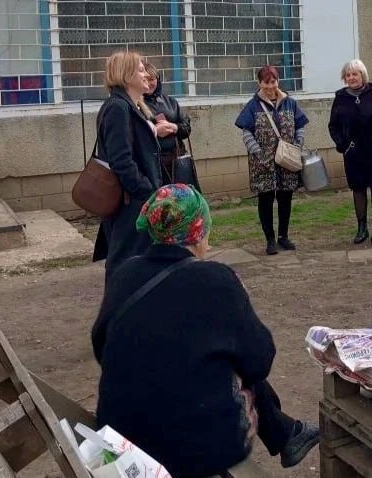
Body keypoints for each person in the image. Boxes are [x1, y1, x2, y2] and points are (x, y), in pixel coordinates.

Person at [92, 184, 319, 478]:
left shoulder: (124, 274)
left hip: (117, 445)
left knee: (201, 357)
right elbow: (259, 360)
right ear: (198, 231)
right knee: (231, 362)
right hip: (193, 452)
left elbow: (101, 345)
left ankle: (288, 434)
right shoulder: (216, 279)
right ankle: (286, 434)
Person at [92, 51, 162, 284]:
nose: (146, 75)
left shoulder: (133, 106)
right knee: (124, 263)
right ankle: (117, 305)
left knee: (138, 262)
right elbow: (121, 160)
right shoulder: (117, 108)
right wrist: (145, 191)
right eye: (141, 70)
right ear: (126, 74)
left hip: (136, 200)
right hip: (130, 203)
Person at [235, 66, 309, 256]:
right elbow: (247, 133)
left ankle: (284, 236)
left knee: (285, 199)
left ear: (278, 81)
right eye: (266, 82)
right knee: (265, 200)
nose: (270, 86)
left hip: (287, 162)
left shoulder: (290, 103)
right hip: (263, 163)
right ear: (259, 83)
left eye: (273, 82)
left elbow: (300, 126)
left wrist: (298, 144)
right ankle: (270, 239)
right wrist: (258, 153)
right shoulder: (253, 106)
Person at [328, 59, 372, 245]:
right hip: (354, 153)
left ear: (363, 75)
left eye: (355, 74)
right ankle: (362, 229)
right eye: (348, 75)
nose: (351, 78)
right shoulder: (340, 98)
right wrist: (343, 145)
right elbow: (333, 126)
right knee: (358, 189)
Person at [143, 61, 198, 189]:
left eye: (152, 79)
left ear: (158, 79)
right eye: (145, 80)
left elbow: (186, 127)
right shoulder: (136, 104)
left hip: (177, 159)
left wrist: (174, 127)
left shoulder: (170, 101)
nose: (149, 83)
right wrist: (155, 131)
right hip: (153, 164)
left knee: (182, 197)